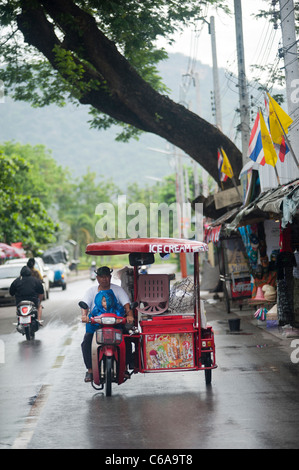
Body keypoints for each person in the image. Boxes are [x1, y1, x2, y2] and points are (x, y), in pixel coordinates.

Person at [80, 266, 134, 382]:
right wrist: (84, 315)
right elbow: (85, 305)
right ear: (97, 278)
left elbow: (126, 305)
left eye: (106, 277)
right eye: (101, 277)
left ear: (110, 277)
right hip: (96, 324)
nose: (104, 279)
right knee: (86, 342)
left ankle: (124, 368)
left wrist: (129, 315)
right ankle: (90, 370)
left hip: (116, 323)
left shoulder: (118, 290)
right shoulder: (91, 291)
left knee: (127, 340)